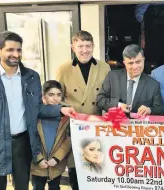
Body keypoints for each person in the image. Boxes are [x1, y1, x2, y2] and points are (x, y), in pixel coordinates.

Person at [0, 31, 75, 190]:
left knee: (22, 187)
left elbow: (37, 109)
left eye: (19, 50)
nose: (15, 54)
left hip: (23, 143)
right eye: (10, 50)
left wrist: (62, 110)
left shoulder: (31, 77)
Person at [56, 30, 110, 190]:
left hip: (97, 129)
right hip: (74, 129)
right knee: (76, 171)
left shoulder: (104, 67)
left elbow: (109, 96)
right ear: (73, 47)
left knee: (98, 171)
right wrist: (65, 109)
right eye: (80, 46)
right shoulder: (63, 69)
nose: (84, 50)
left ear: (93, 46)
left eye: (88, 46)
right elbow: (56, 99)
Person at [96, 44, 164, 116]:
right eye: (130, 63)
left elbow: (160, 109)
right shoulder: (112, 77)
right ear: (124, 63)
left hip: (140, 126)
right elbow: (100, 100)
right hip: (116, 125)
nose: (135, 66)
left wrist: (149, 110)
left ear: (143, 60)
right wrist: (118, 105)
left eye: (138, 62)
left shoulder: (153, 84)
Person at [30, 80, 71, 190]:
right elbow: (30, 138)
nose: (55, 98)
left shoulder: (66, 115)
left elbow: (68, 140)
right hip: (37, 163)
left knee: (55, 187)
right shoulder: (35, 114)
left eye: (58, 95)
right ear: (43, 96)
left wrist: (57, 158)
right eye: (51, 95)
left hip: (56, 163)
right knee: (37, 187)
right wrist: (38, 158)